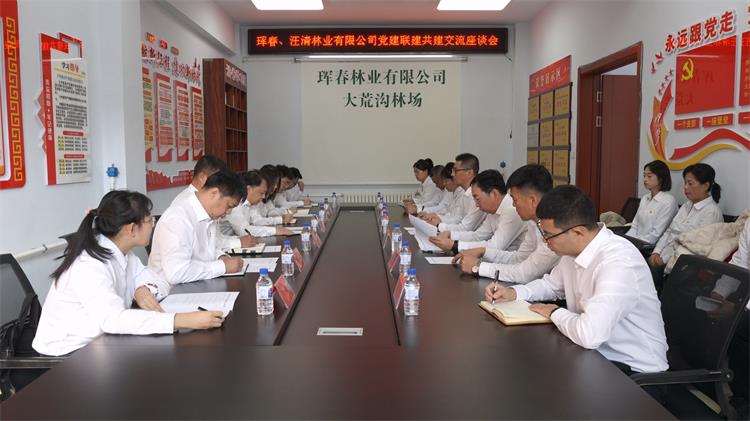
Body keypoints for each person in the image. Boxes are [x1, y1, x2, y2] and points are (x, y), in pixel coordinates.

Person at [486, 185, 668, 375]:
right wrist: (514, 292)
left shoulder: (618, 262)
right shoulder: (573, 250)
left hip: (634, 373)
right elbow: (551, 285)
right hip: (594, 356)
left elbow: (589, 334)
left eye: (549, 236)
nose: (546, 243)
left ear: (578, 232)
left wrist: (555, 312)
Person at [32, 191, 224, 357]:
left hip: (103, 342)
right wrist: (181, 320)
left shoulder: (124, 254)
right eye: (150, 220)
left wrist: (142, 289)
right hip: (69, 354)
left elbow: (162, 282)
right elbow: (114, 320)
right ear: (131, 229)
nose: (153, 225)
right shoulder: (89, 264)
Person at [453, 164, 560, 284]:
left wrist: (478, 267)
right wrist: (484, 251)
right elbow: (518, 259)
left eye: (515, 200)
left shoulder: (556, 228)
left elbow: (525, 274)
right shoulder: (534, 222)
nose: (513, 205)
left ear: (532, 200)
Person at [148, 170, 247, 285]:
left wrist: (221, 257)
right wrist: (222, 266)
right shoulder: (178, 218)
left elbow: (205, 250)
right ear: (214, 193)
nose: (229, 212)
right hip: (169, 292)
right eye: (229, 206)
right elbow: (176, 272)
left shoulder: (208, 215)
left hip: (195, 285)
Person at [648, 163, 723, 288]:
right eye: (685, 183)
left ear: (705, 186)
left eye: (690, 183)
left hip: (686, 265)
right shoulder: (686, 206)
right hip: (665, 257)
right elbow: (669, 232)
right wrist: (656, 252)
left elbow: (696, 248)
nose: (686, 187)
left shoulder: (711, 212)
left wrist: (664, 259)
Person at [429, 169, 524, 254]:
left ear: (494, 194)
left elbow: (495, 246)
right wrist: (450, 234)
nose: (476, 205)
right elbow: (478, 236)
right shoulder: (493, 210)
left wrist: (455, 245)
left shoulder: (511, 209)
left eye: (477, 199)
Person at [171, 155, 256, 249]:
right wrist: (238, 242)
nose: (221, 184)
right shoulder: (184, 205)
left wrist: (238, 240)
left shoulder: (209, 204)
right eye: (217, 179)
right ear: (202, 177)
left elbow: (214, 240)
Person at [424, 153, 486, 233]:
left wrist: (439, 225)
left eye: (456, 171)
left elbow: (466, 227)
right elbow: (457, 218)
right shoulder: (465, 193)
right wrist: (438, 218)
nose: (452, 174)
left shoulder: (476, 196)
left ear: (469, 172)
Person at [221, 170, 293, 237]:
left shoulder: (250, 204)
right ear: (248, 189)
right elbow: (244, 231)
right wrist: (275, 231)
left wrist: (280, 220)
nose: (263, 197)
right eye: (261, 193)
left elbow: (257, 221)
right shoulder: (235, 205)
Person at [625, 160, 678, 244]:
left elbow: (655, 235)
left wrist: (635, 244)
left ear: (661, 178)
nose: (645, 179)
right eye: (644, 175)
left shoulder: (668, 201)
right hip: (636, 243)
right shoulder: (645, 198)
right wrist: (626, 241)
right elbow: (635, 226)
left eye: (649, 176)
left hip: (649, 247)